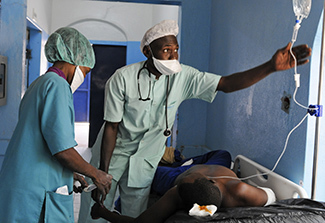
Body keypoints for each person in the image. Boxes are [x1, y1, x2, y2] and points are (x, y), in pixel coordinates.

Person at [79, 19, 311, 221]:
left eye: (176, 49)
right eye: (166, 50)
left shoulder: (184, 76)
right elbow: (111, 127)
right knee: (96, 208)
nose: (173, 55)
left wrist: (270, 67)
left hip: (146, 160)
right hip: (112, 154)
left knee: (137, 214)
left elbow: (226, 84)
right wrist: (102, 172)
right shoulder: (122, 78)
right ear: (148, 51)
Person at [0, 27, 112, 223]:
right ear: (74, 60)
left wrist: (71, 172)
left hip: (20, 183)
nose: (84, 77)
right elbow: (63, 150)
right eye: (85, 71)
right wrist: (96, 173)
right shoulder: (58, 86)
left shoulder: (39, 83)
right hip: (35, 192)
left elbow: (41, 140)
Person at [90, 162, 276, 223]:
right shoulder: (177, 191)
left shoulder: (178, 192)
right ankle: (185, 165)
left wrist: (103, 213)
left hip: (182, 174)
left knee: (223, 154)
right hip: (179, 173)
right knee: (143, 171)